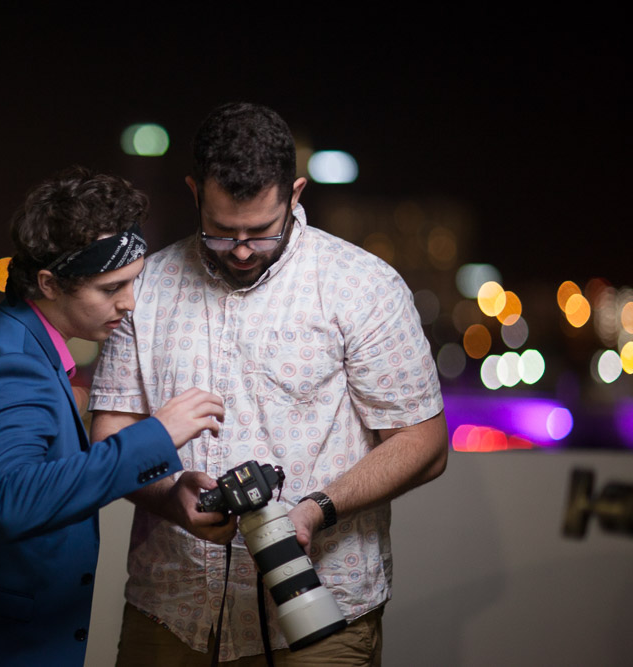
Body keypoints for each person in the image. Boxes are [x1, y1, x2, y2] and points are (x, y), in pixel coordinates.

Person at [90, 103, 448, 666]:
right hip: (173, 607)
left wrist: (315, 510)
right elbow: (110, 431)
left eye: (259, 232)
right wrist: (171, 497)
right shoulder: (144, 287)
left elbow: (424, 442)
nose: (238, 249)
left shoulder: (363, 286)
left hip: (324, 614)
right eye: (221, 230)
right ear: (193, 191)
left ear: (296, 193)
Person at [0, 167, 225, 666]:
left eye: (134, 283)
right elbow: (12, 500)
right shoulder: (11, 361)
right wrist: (156, 436)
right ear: (49, 283)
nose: (129, 304)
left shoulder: (22, 345)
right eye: (111, 289)